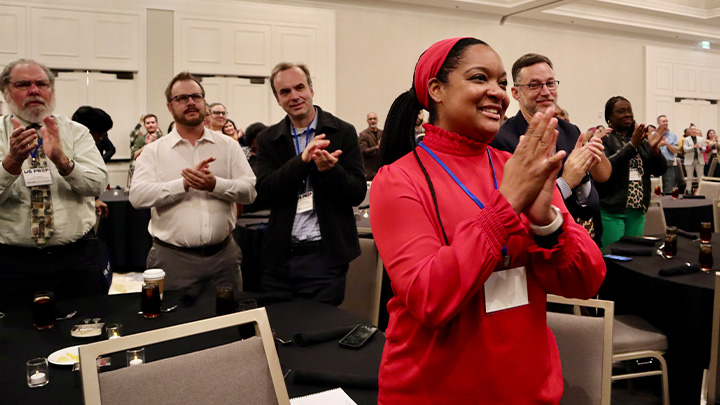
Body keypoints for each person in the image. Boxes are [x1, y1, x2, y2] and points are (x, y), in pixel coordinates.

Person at [370, 37, 605, 403]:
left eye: (500, 82)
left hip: (529, 387)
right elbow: (429, 298)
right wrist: (506, 206)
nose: (497, 93)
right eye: (480, 78)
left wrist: (546, 222)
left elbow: (587, 281)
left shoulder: (515, 167)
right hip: (435, 390)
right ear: (437, 90)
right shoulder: (398, 180)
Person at [130, 72, 257, 292]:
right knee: (177, 324)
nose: (190, 102)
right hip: (173, 260)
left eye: (196, 96)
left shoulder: (228, 146)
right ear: (169, 107)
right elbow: (138, 197)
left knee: (228, 322)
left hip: (223, 258)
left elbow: (250, 192)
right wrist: (183, 185)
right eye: (181, 98)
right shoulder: (153, 151)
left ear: (204, 102)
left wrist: (215, 185)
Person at [255, 62, 366, 306]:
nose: (294, 96)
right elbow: (263, 192)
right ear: (277, 99)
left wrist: (331, 171)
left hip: (325, 256)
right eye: (285, 92)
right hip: (280, 258)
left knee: (319, 332)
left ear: (311, 89)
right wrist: (303, 160)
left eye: (299, 87)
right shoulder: (268, 139)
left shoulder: (343, 132)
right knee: (279, 332)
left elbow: (357, 192)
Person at [0, 58, 109, 306]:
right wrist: (11, 164)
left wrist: (63, 162)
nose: (35, 90)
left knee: (85, 328)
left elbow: (97, 185)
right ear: (5, 92)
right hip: (13, 263)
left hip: (76, 259)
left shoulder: (76, 132)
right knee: (17, 338)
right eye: (23, 84)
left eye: (42, 84)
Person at [491, 53, 611, 245]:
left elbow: (590, 200)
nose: (546, 91)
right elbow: (517, 210)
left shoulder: (570, 131)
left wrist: (584, 179)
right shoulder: (503, 141)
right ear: (515, 93)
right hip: (542, 247)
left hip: (585, 239)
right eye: (534, 85)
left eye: (550, 83)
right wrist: (567, 181)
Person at [597, 96, 666, 246]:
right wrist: (632, 146)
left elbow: (659, 170)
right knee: (612, 258)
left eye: (629, 111)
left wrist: (654, 150)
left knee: (633, 257)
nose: (627, 114)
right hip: (612, 210)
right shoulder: (605, 140)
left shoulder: (642, 141)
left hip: (637, 210)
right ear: (609, 117)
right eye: (621, 111)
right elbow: (606, 169)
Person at [656, 114, 678, 192]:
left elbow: (675, 151)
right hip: (656, 165)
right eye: (663, 121)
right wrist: (659, 144)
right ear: (658, 123)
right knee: (656, 189)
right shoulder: (653, 135)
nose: (665, 123)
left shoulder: (673, 136)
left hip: (668, 165)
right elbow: (649, 150)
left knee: (669, 189)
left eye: (666, 121)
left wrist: (667, 144)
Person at [358, 112, 383, 180]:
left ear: (377, 120)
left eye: (374, 119)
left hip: (381, 170)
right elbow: (363, 151)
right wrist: (377, 147)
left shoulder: (382, 133)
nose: (373, 121)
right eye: (370, 119)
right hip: (369, 172)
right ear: (367, 121)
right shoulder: (363, 135)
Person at [683, 124, 705, 194]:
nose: (693, 130)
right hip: (689, 161)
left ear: (696, 130)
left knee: (701, 177)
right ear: (689, 131)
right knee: (689, 178)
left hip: (699, 160)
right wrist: (694, 147)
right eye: (691, 129)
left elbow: (704, 149)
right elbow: (685, 149)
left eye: (694, 129)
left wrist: (700, 147)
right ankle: (688, 191)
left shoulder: (701, 139)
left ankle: (701, 191)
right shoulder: (686, 139)